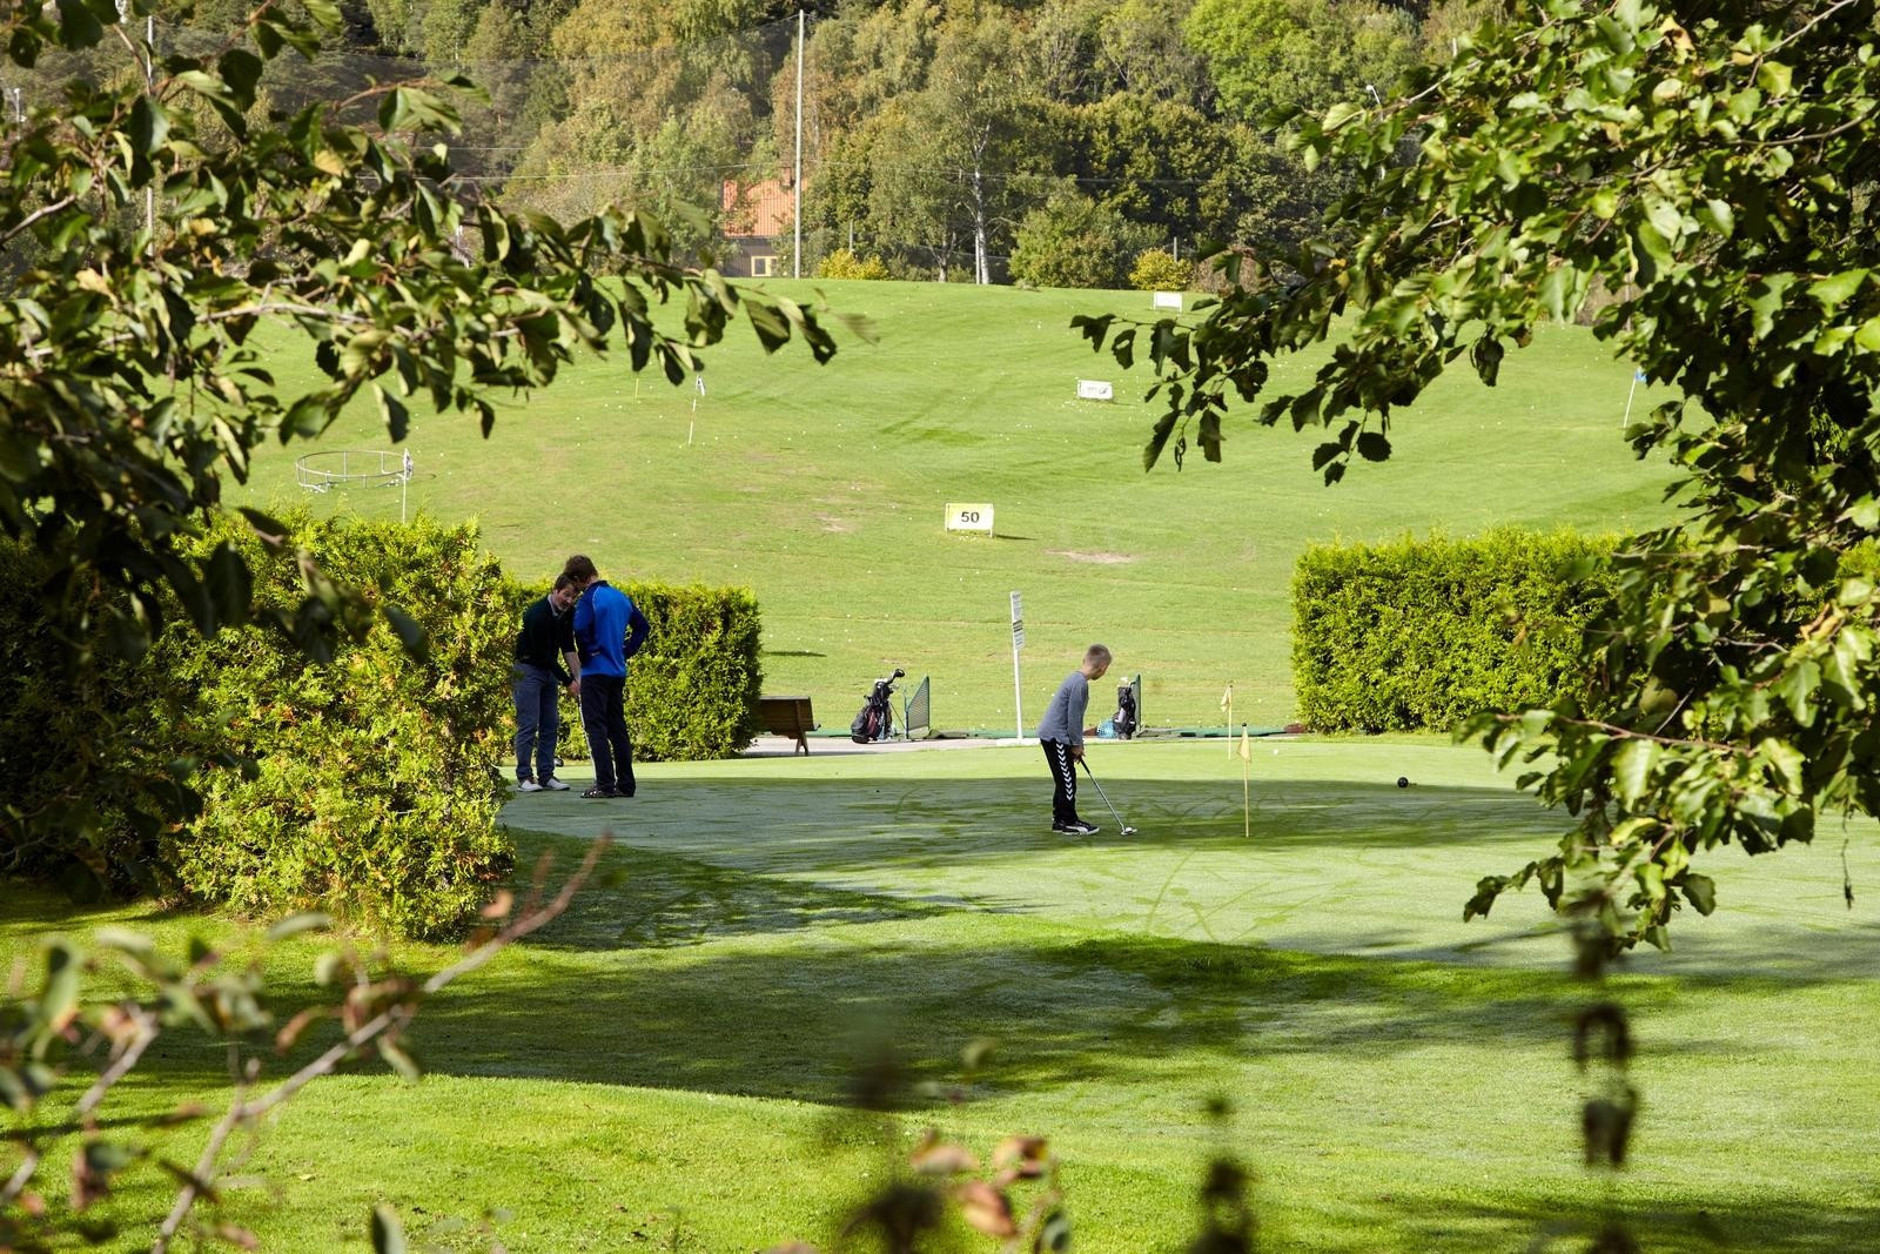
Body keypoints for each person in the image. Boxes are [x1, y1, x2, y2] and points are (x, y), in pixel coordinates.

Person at [564, 554, 650, 799]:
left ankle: (604, 783)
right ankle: (626, 783)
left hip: (595, 672)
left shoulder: (589, 599)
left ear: (580, 578)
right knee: (618, 729)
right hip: (617, 671)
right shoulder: (620, 597)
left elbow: (580, 629)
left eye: (576, 583)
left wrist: (588, 653)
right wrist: (627, 650)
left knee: (596, 728)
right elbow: (642, 626)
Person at [512, 573, 581, 793]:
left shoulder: (568, 612)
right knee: (529, 724)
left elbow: (568, 646)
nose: (569, 600)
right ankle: (524, 777)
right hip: (528, 669)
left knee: (550, 724)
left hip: (548, 672)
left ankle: (546, 775)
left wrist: (578, 678)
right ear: (555, 591)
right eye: (566, 595)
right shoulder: (537, 614)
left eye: (573, 596)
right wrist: (568, 681)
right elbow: (544, 655)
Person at [1037, 644, 1111, 835]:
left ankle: (1060, 819)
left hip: (1054, 736)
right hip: (1057, 736)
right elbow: (1074, 717)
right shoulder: (1080, 684)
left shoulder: (1074, 678)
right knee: (1068, 780)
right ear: (1103, 668)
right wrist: (1077, 745)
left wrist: (1075, 744)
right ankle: (1068, 821)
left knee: (1064, 778)